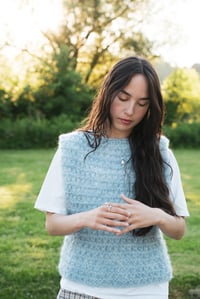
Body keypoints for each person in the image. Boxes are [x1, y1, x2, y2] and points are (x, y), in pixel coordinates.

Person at [34, 56, 189, 299]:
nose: (130, 111)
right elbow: (52, 224)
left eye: (142, 104)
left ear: (151, 107)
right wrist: (88, 218)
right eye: (123, 98)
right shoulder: (72, 148)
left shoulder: (159, 151)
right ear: (108, 92)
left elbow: (179, 229)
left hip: (145, 290)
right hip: (82, 287)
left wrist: (156, 215)